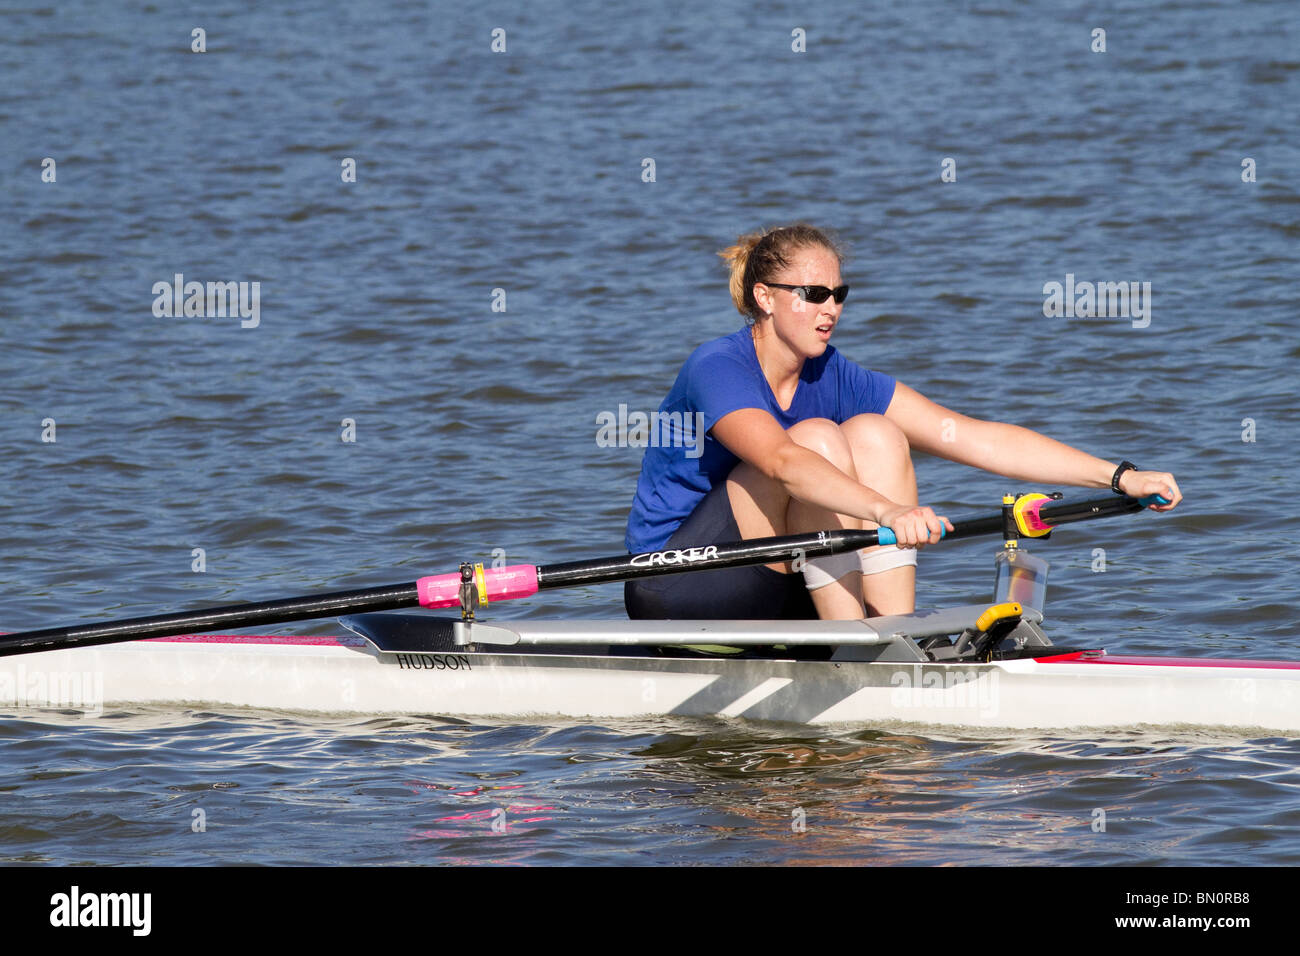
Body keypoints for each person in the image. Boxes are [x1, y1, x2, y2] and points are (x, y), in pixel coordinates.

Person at [624, 223, 1181, 621]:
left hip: (787, 579)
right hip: (679, 583)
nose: (832, 308)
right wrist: (888, 513)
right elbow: (781, 462)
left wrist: (1119, 476)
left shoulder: (835, 375)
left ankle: (887, 632)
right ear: (764, 298)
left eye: (839, 294)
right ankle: (852, 644)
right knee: (813, 440)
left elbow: (966, 435)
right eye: (814, 294)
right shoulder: (717, 366)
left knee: (877, 432)